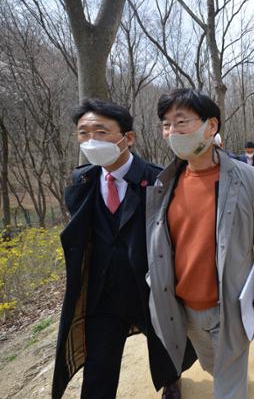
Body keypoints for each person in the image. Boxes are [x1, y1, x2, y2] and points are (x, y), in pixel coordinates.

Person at [52, 99, 192, 399]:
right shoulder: (82, 180)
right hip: (102, 293)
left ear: (128, 138)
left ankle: (172, 380)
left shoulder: (159, 180)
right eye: (83, 133)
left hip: (151, 289)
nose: (91, 141)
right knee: (98, 370)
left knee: (165, 347)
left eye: (101, 132)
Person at [146, 88, 254, 399]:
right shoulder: (163, 185)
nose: (172, 132)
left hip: (229, 305)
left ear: (211, 126)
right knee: (212, 365)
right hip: (184, 309)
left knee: (228, 382)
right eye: (166, 125)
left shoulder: (247, 179)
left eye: (181, 122)